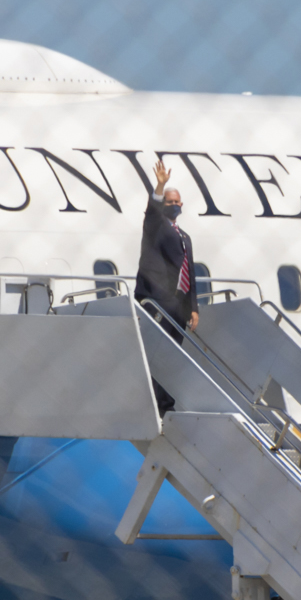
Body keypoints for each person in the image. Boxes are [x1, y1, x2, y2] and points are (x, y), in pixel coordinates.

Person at [135, 160, 199, 413]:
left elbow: (190, 274)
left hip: (178, 305)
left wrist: (193, 308)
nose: (174, 205)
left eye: (177, 202)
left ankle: (167, 403)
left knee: (173, 356)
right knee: (158, 353)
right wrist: (160, 186)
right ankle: (157, 404)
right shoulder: (156, 226)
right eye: (169, 202)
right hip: (157, 300)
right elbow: (152, 211)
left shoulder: (184, 236)